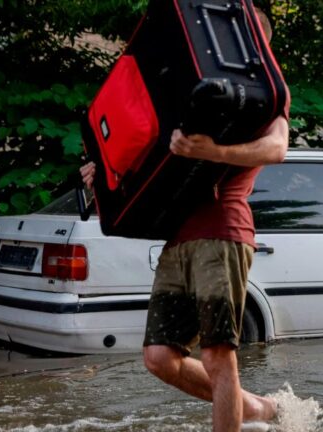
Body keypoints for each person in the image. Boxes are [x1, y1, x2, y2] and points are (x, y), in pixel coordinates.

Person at [81, 9, 288, 432]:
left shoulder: (265, 98)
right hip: (178, 238)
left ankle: (245, 412)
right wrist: (102, 178)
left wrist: (215, 153)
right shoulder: (190, 88)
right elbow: (151, 158)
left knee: (217, 355)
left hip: (222, 232)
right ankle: (256, 408)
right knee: (159, 357)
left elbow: (277, 149)